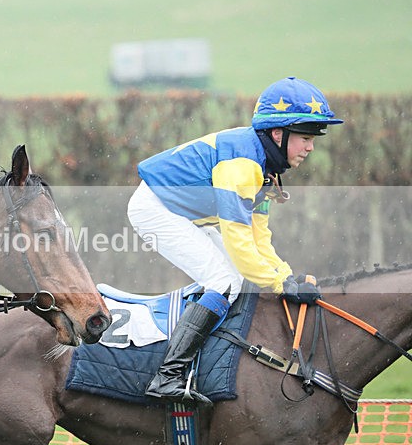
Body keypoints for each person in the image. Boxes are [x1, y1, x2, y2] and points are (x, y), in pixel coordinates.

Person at [127, 76, 342, 405]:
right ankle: (167, 375)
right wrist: (280, 284)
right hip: (155, 208)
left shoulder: (265, 168)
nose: (311, 147)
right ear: (277, 133)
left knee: (236, 279)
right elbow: (240, 245)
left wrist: (284, 275)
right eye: (305, 137)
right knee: (225, 280)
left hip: (182, 212)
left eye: (313, 138)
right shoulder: (243, 167)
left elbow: (259, 236)